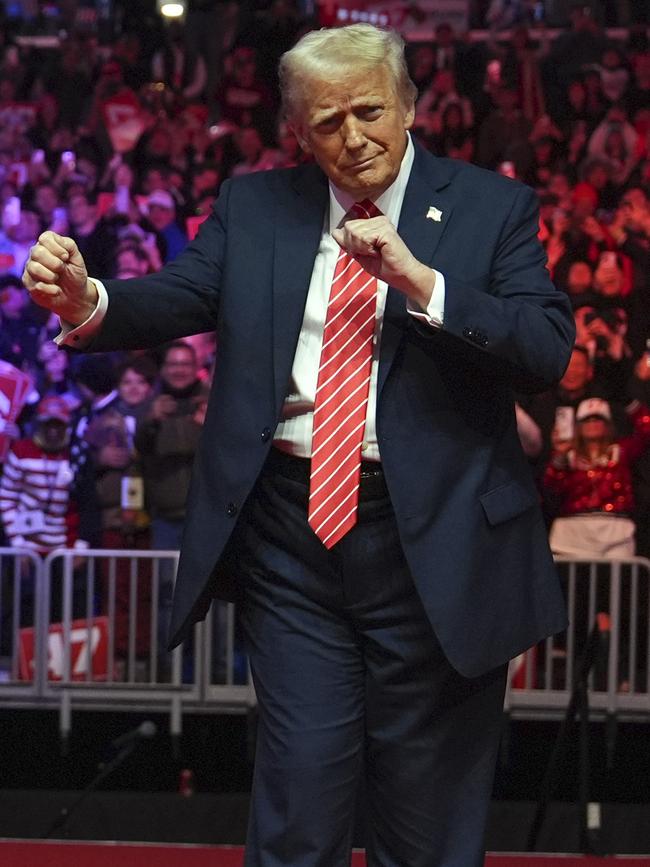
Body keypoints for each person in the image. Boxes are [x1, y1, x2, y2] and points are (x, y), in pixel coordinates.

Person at [23, 23, 574, 867]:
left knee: (423, 825)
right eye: (327, 122)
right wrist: (86, 297)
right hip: (292, 534)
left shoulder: (492, 208)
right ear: (297, 130)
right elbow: (177, 294)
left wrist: (421, 282)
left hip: (438, 539)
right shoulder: (253, 206)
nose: (354, 137)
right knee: (300, 798)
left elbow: (544, 346)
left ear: (411, 106)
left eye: (370, 111)